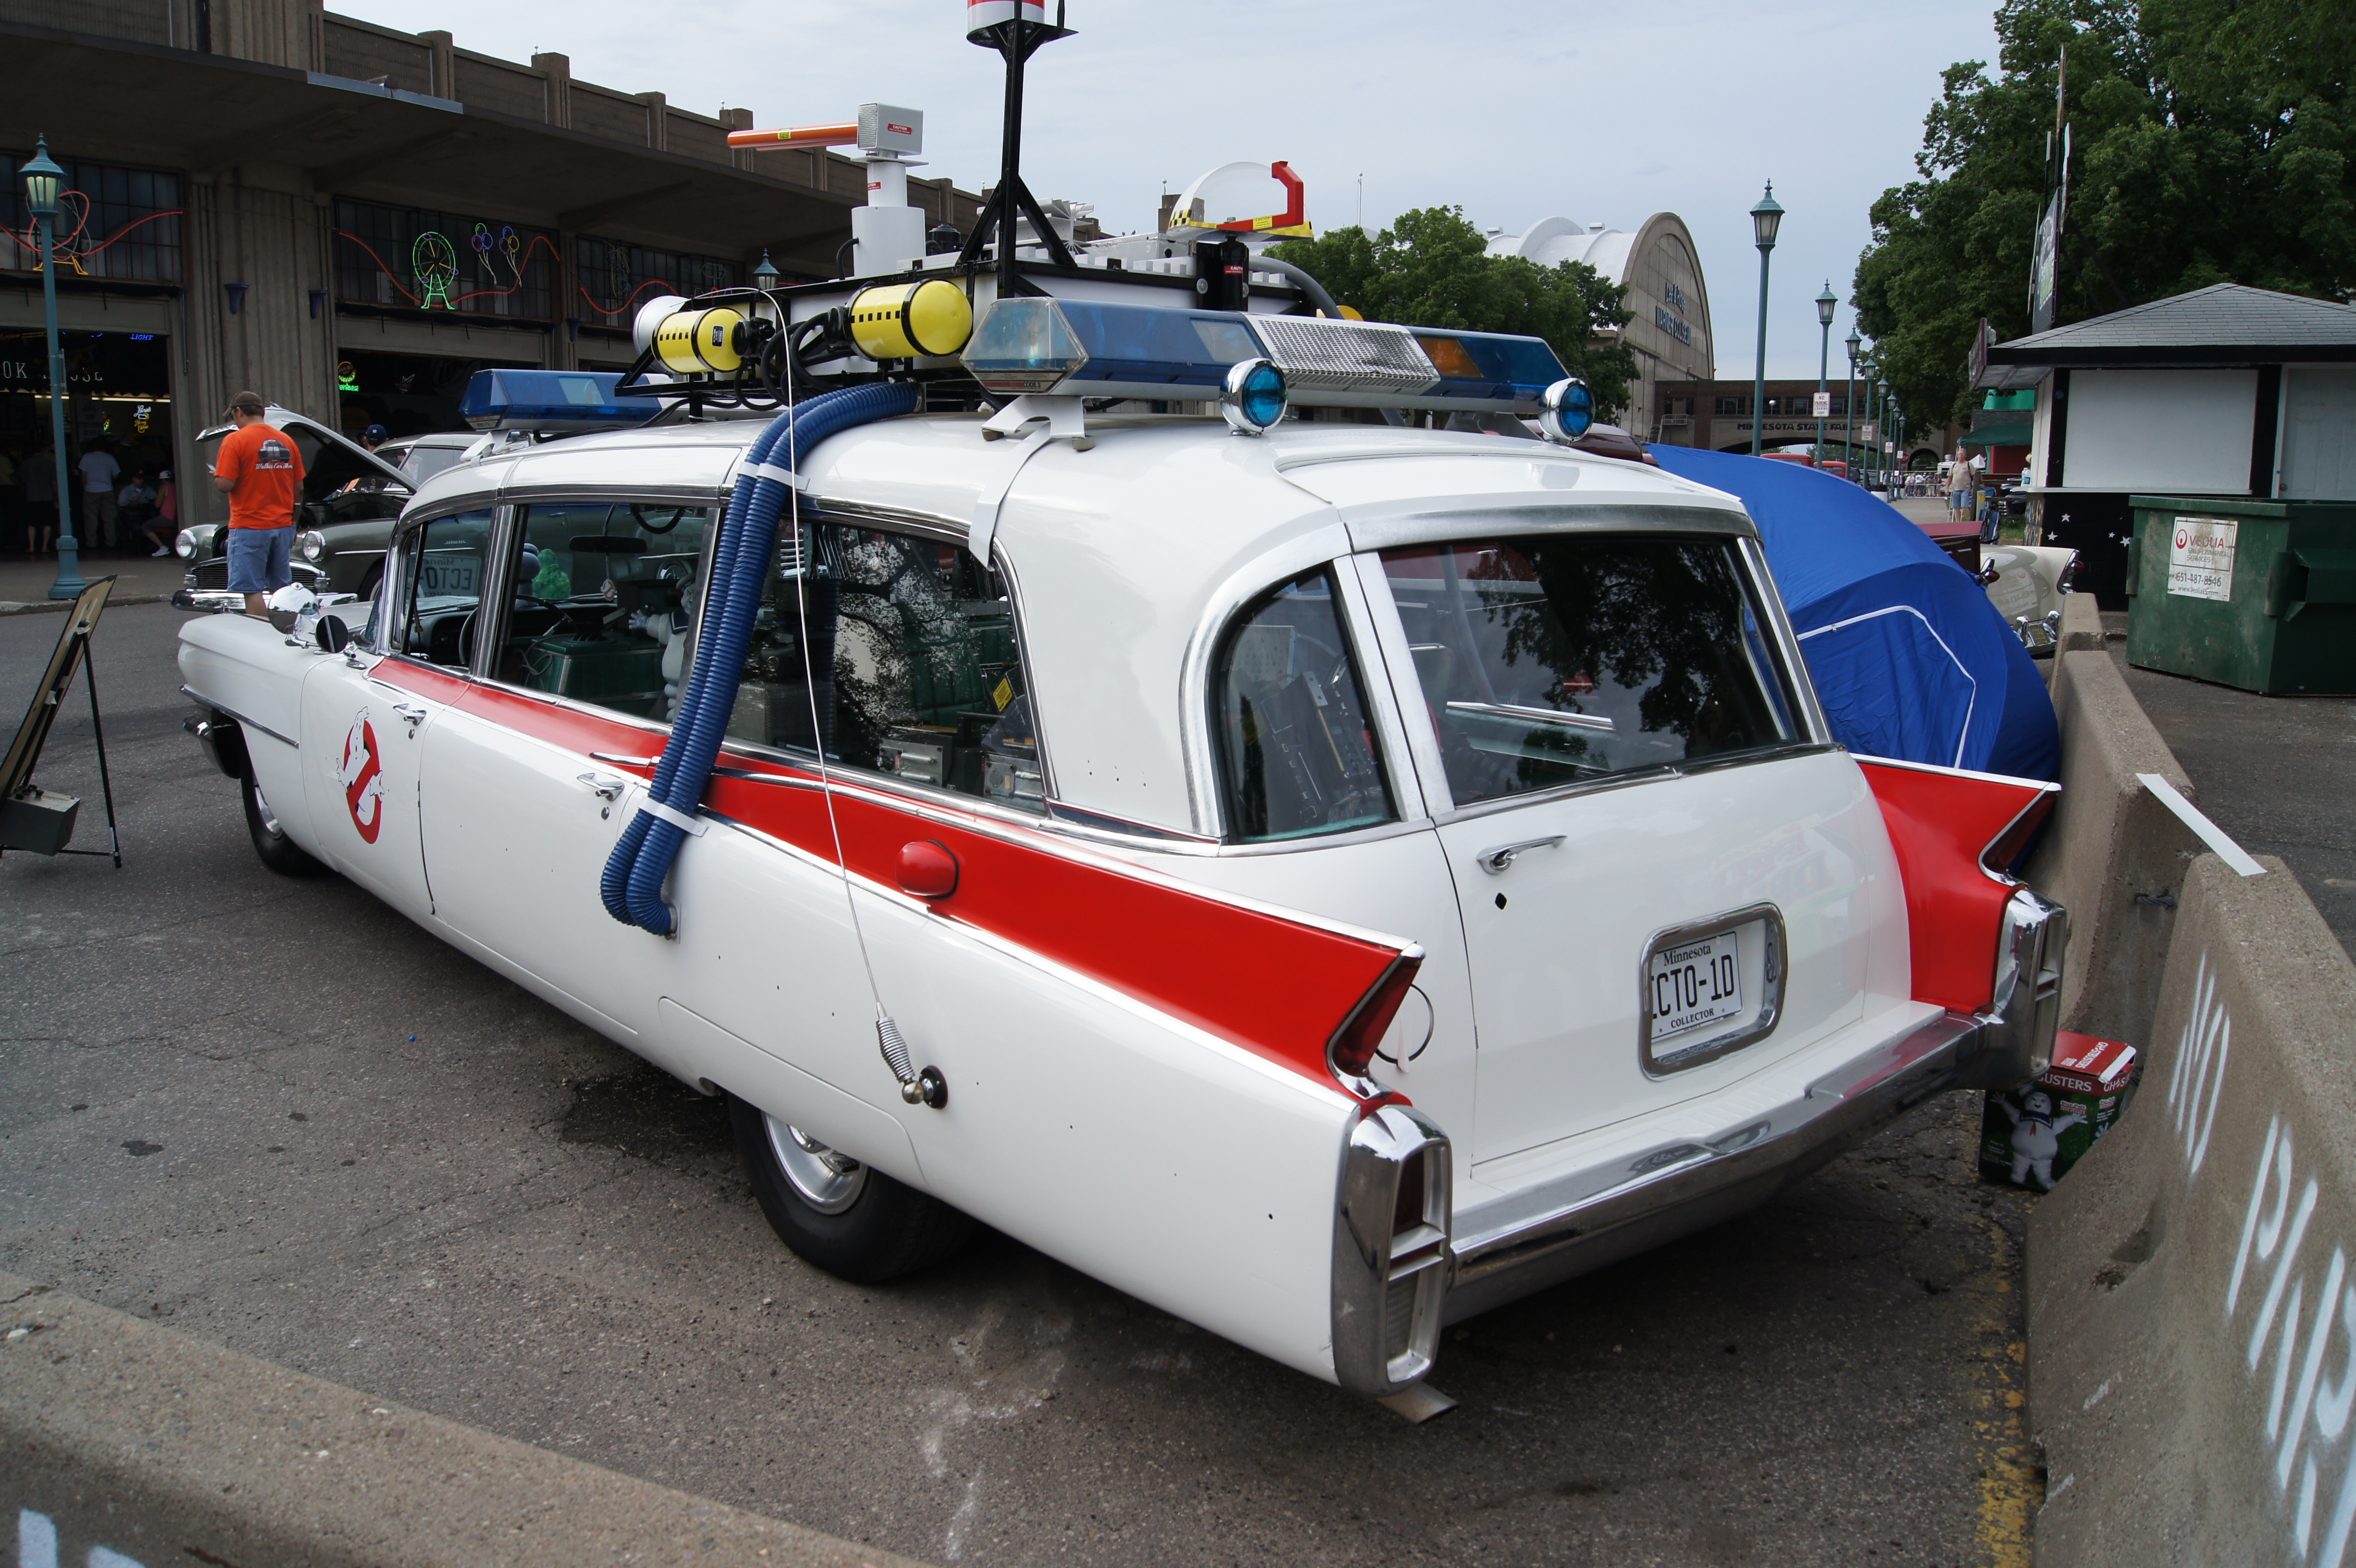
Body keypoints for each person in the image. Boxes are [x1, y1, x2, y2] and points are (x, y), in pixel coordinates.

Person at [212, 391, 306, 617]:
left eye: (233, 415)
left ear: (239, 412)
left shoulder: (235, 440)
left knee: (252, 590)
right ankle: (286, 632)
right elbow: (300, 489)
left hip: (250, 526)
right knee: (281, 589)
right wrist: (294, 523)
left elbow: (224, 485)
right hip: (283, 526)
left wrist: (217, 474)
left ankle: (263, 638)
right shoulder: (287, 440)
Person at [78, 439, 122, 554]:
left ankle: (91, 543)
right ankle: (111, 542)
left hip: (91, 490)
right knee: (110, 518)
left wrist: (85, 487)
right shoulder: (110, 458)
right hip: (107, 490)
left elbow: (83, 474)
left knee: (91, 518)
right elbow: (116, 475)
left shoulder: (87, 457)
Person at [23, 445, 55, 556]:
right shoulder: (50, 464)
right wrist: (56, 496)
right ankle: (44, 547)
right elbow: (54, 482)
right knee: (48, 523)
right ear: (43, 450)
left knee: (32, 523)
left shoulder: (26, 464)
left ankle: (32, 547)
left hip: (32, 496)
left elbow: (19, 477)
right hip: (48, 496)